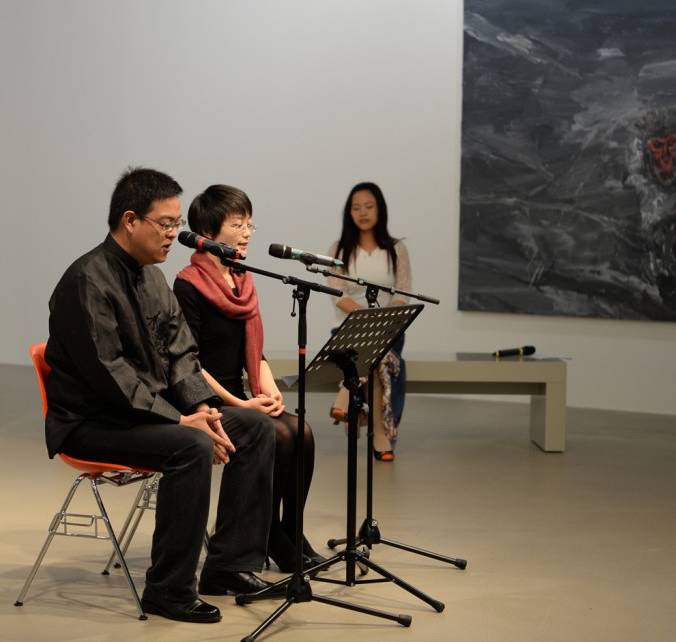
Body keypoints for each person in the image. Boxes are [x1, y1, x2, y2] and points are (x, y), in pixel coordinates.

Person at [43, 167, 275, 625]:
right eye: (166, 224)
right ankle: (168, 590)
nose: (175, 234)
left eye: (176, 224)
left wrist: (203, 408)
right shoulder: (87, 280)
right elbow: (111, 376)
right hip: (94, 422)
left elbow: (182, 353)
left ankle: (228, 566)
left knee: (253, 426)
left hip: (146, 415)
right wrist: (181, 421)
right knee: (191, 445)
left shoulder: (151, 278)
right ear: (130, 220)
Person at [174, 184, 325, 573]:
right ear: (209, 231)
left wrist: (270, 392)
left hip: (243, 396)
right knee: (275, 433)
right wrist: (242, 404)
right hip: (205, 399)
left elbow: (254, 353)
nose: (246, 233)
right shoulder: (187, 284)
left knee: (300, 432)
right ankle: (268, 533)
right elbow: (189, 362)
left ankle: (290, 530)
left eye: (249, 225)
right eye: (237, 224)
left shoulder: (242, 280)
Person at [327, 182, 412, 461]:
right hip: (349, 328)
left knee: (374, 353)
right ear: (349, 212)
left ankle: (345, 395)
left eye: (369, 206)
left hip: (388, 329)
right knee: (376, 360)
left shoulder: (396, 248)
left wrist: (381, 321)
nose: (362, 212)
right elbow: (338, 294)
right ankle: (381, 435)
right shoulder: (339, 249)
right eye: (356, 208)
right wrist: (365, 319)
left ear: (380, 209)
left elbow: (403, 292)